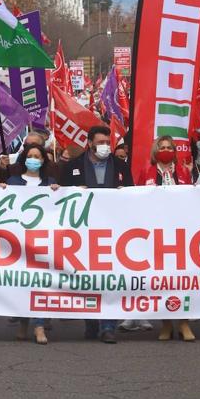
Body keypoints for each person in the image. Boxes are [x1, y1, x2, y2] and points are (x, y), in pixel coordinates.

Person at [61, 125, 133, 343]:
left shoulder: (120, 165)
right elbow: (62, 194)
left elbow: (132, 192)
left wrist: (125, 193)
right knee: (87, 279)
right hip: (83, 231)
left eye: (107, 142)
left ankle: (108, 325)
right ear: (90, 143)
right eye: (100, 142)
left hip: (113, 230)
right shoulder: (73, 166)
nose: (104, 146)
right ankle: (91, 321)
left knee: (108, 278)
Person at [136, 136, 195, 342]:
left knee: (183, 278)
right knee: (161, 279)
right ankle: (167, 324)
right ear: (155, 150)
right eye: (162, 147)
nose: (166, 150)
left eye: (170, 147)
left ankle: (184, 322)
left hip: (181, 231)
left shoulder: (184, 172)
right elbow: (136, 198)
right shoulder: (147, 172)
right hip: (156, 231)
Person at [3, 144, 59, 345]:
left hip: (43, 240)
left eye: (37, 156)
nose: (34, 159)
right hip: (19, 238)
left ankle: (39, 326)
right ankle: (24, 323)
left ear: (44, 160)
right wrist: (2, 190)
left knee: (41, 282)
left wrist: (57, 192)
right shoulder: (13, 181)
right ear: (24, 159)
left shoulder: (50, 182)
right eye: (30, 156)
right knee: (24, 283)